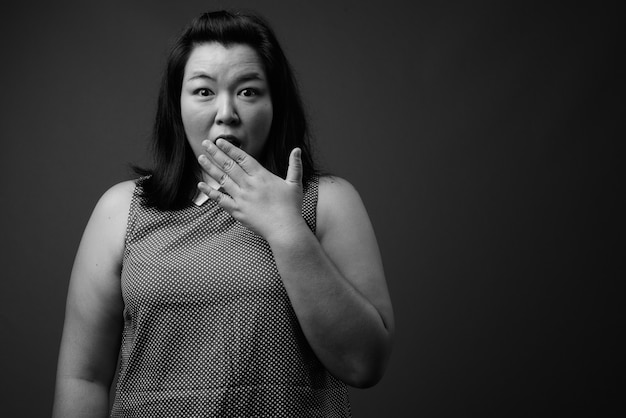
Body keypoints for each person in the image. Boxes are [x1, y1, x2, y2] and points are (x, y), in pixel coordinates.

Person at [53, 10, 394, 417]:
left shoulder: (329, 201)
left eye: (248, 91)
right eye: (203, 91)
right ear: (176, 104)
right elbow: (83, 378)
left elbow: (364, 363)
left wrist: (285, 228)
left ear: (275, 103)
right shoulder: (121, 209)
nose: (226, 112)